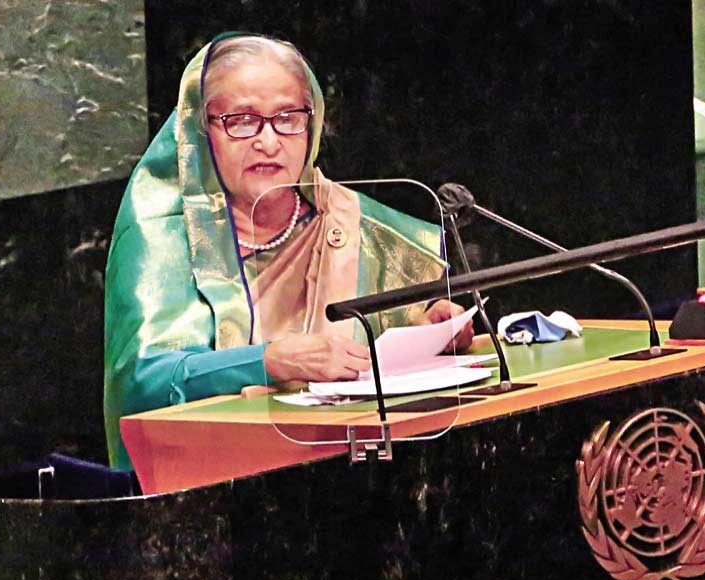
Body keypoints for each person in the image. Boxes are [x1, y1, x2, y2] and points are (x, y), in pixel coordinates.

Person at [103, 33, 473, 470]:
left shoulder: (355, 221)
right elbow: (141, 385)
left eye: (287, 117)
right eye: (241, 120)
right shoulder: (161, 238)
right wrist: (267, 361)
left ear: (311, 124)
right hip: (210, 495)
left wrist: (430, 325)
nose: (268, 141)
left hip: (358, 475)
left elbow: (387, 336)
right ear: (201, 130)